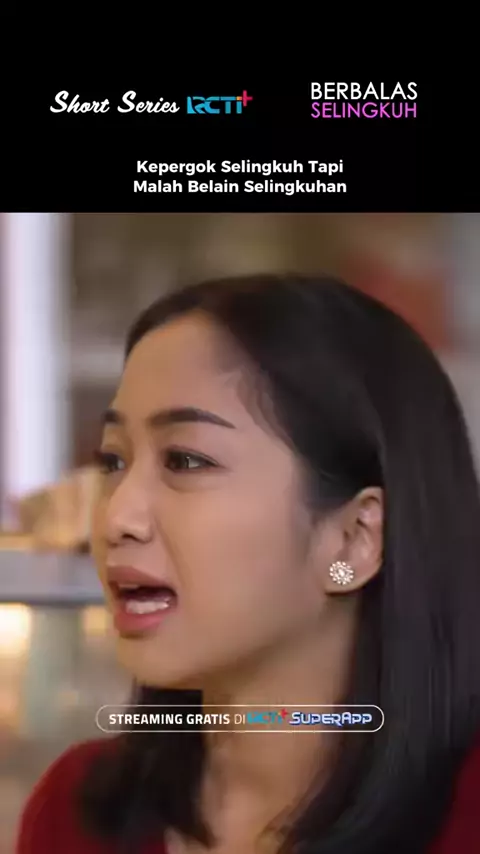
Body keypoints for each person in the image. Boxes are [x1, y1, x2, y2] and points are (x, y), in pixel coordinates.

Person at [16, 273, 480, 853]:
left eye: (185, 460)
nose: (116, 517)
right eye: (113, 461)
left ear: (354, 539)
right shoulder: (77, 814)